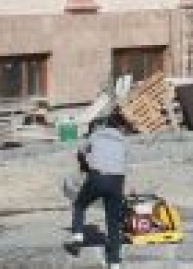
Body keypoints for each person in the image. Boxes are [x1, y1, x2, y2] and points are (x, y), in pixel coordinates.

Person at [64, 113, 127, 268]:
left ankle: (78, 239)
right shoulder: (124, 140)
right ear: (120, 127)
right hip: (117, 180)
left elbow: (81, 151)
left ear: (106, 125)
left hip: (98, 177)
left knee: (80, 204)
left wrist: (85, 165)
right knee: (113, 223)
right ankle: (114, 263)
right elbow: (125, 160)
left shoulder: (96, 135)